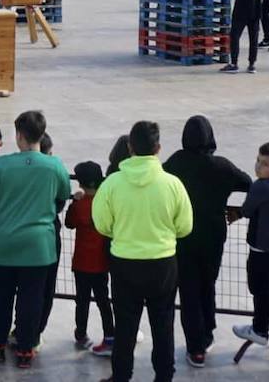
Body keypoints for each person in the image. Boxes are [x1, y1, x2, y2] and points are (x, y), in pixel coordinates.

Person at [93, 119, 193, 382]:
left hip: (125, 264)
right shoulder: (173, 184)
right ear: (158, 147)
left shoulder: (112, 184)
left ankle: (121, 376)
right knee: (163, 325)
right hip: (163, 264)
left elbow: (102, 225)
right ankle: (163, 377)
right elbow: (185, 227)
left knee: (125, 325)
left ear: (130, 146)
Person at [0, 110, 71, 370]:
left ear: (19, 135)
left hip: (2, 244)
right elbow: (62, 195)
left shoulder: (2, 165)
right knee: (32, 299)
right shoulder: (55, 166)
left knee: (2, 296)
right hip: (39, 247)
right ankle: (26, 348)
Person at [162, 115, 251, 368]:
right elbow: (249, 184)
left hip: (183, 237)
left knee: (189, 290)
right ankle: (207, 331)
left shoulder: (176, 164)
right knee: (207, 284)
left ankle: (196, 347)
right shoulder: (221, 167)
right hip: (213, 236)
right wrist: (240, 211)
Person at [233, 141, 269, 345]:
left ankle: (259, 329)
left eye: (265, 163)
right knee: (266, 282)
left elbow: (247, 210)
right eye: (258, 161)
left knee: (258, 286)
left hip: (261, 245)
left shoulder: (260, 187)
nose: (258, 166)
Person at [64, 161, 113, 357]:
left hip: (81, 263)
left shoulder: (80, 205)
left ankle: (81, 333)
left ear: (81, 184)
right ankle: (110, 335)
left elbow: (69, 224)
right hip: (101, 263)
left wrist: (74, 202)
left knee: (82, 300)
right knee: (104, 301)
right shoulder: (106, 202)